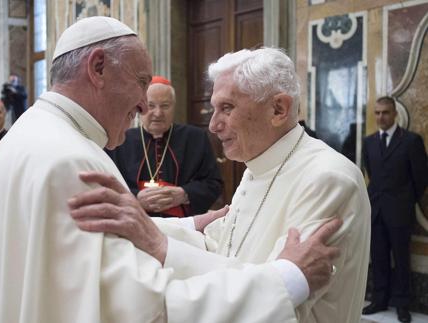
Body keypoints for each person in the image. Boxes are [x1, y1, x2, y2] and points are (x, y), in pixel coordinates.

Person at [0, 17, 341, 323]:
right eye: (140, 82)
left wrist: (186, 225)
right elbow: (149, 308)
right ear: (98, 67)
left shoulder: (29, 132)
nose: (143, 105)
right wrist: (288, 279)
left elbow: (94, 246)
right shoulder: (72, 158)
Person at [69, 47, 371, 323]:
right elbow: (223, 249)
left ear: (278, 109)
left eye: (227, 108)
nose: (213, 125)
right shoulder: (258, 164)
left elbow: (284, 303)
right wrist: (151, 230)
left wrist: (157, 243)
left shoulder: (327, 179)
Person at [107, 76, 223, 218]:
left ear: (173, 106)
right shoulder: (120, 140)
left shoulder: (195, 138)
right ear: (140, 107)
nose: (158, 113)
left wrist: (184, 194)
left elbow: (214, 184)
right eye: (151, 106)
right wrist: (135, 198)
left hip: (184, 223)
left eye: (165, 106)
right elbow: (107, 185)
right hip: (134, 220)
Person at [362, 96, 427, 323]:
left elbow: (420, 179)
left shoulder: (411, 141)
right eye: (377, 113)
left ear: (395, 114)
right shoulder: (369, 142)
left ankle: (402, 305)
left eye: (385, 113)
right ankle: (379, 300)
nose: (381, 117)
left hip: (400, 212)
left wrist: (405, 200)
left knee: (401, 260)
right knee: (378, 258)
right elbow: (371, 173)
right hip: (377, 211)